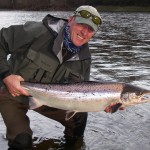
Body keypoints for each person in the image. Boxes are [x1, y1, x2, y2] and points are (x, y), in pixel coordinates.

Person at [0, 5, 120, 150]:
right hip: (12, 92)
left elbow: (83, 94)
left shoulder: (84, 60)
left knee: (79, 118)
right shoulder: (38, 32)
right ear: (70, 20)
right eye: (81, 24)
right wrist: (5, 76)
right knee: (22, 143)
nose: (84, 32)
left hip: (47, 98)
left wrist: (104, 103)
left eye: (90, 29)